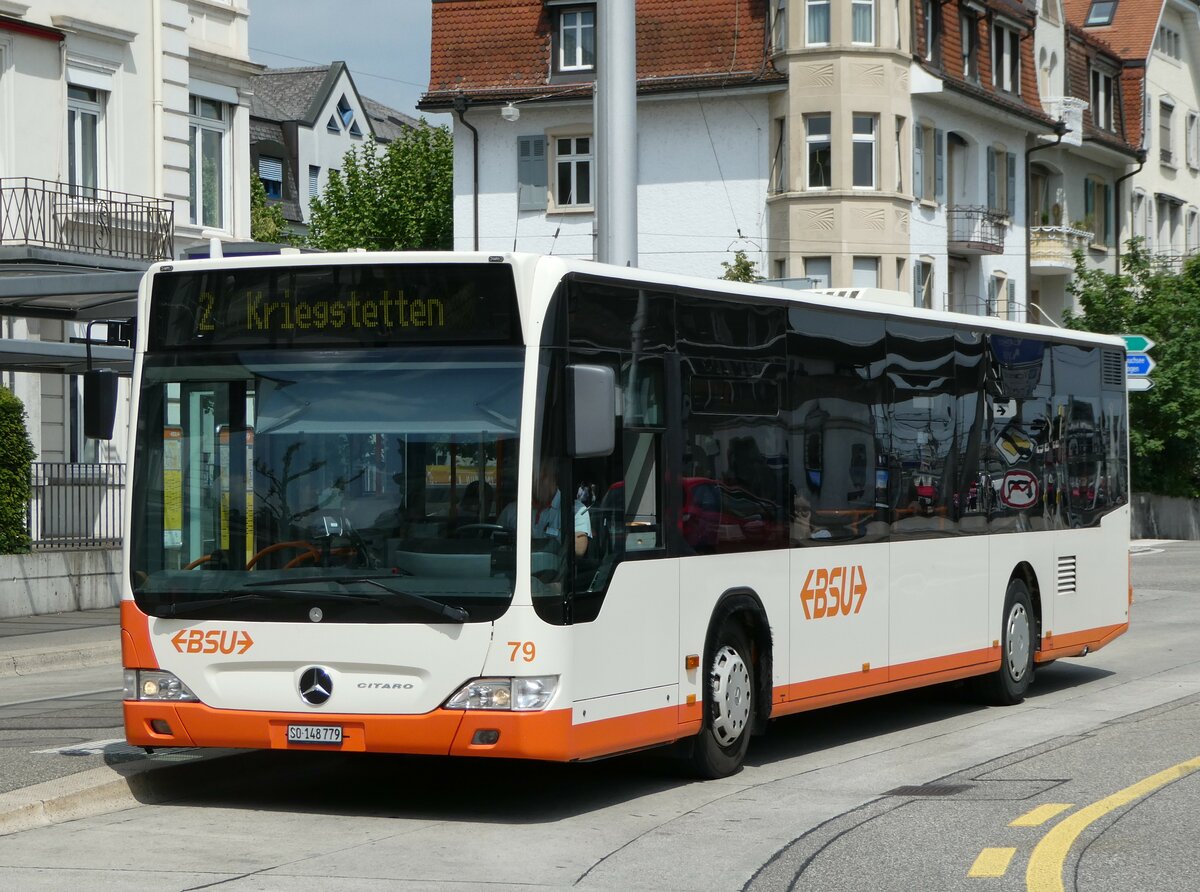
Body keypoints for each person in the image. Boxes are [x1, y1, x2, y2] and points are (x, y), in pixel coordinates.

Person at [499, 459, 592, 557]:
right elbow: (494, 543)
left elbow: (579, 549)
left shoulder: (575, 509)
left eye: (543, 476)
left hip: (556, 570)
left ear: (555, 477)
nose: (537, 482)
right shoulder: (511, 510)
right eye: (533, 477)